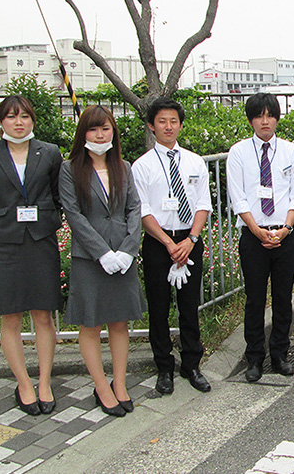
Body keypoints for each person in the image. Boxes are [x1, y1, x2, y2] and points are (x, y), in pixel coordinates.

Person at [0, 95, 62, 416]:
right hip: (5, 244)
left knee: (42, 314)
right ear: (1, 121)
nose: (18, 121)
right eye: (11, 116)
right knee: (10, 315)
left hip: (40, 240)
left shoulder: (50, 152)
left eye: (24, 115)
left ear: (32, 120)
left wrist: (44, 219)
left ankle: (44, 381)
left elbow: (56, 195)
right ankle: (23, 383)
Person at [59, 106, 146, 417]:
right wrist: (102, 252)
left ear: (113, 133)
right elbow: (74, 215)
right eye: (94, 129)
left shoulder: (123, 166)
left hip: (123, 255)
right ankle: (100, 386)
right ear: (84, 133)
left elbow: (135, 210)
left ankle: (119, 383)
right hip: (90, 258)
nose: (100, 135)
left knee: (120, 322)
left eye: (106, 129)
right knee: (91, 323)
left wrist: (127, 249)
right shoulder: (70, 169)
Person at [132, 97, 213, 395]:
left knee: (189, 306)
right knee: (159, 306)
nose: (168, 126)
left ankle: (191, 364)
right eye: (162, 121)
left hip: (190, 240)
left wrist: (190, 239)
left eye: (173, 121)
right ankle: (163, 366)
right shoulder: (141, 166)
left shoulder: (194, 161)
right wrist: (169, 243)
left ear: (180, 124)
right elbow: (143, 211)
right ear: (152, 126)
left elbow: (204, 203)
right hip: (158, 243)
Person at [227, 92, 294, 383]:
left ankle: (280, 354)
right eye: (258, 115)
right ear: (250, 120)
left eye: (270, 114)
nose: (264, 120)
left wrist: (285, 229)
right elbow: (238, 197)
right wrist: (256, 229)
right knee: (255, 299)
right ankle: (255, 358)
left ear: (276, 118)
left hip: (285, 233)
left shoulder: (290, 152)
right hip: (253, 235)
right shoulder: (238, 152)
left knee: (283, 298)